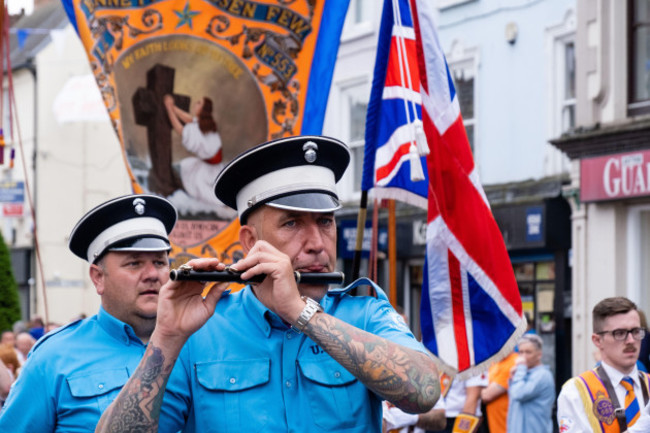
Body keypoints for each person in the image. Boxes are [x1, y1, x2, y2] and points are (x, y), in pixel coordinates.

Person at [96, 135, 441, 433]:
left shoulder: (365, 314)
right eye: (292, 223)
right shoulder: (199, 332)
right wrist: (166, 338)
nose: (317, 243)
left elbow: (425, 391)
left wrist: (301, 312)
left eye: (325, 222)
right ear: (249, 241)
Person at [0, 194, 177, 431]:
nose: (152, 274)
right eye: (134, 263)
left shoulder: (198, 344)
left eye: (159, 262)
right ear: (98, 277)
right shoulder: (53, 357)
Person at [557, 297, 650, 432]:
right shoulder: (576, 392)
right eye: (620, 333)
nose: (630, 340)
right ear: (597, 340)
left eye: (636, 332)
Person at [164, 94, 225, 207]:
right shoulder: (204, 123)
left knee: (200, 186)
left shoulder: (200, 128)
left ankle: (222, 205)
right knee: (186, 165)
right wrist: (173, 106)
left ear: (203, 109)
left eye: (199, 103)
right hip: (210, 164)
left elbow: (180, 129)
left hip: (211, 169)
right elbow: (188, 119)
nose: (196, 104)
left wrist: (169, 108)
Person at [506, 333, 555, 433]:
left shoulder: (542, 375)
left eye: (528, 352)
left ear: (539, 354)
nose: (523, 357)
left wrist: (520, 369)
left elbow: (518, 394)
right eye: (520, 352)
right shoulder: (523, 373)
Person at [480, 350, 518, 433]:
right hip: (493, 423)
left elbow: (487, 395)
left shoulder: (514, 362)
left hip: (506, 425)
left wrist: (473, 392)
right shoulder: (495, 362)